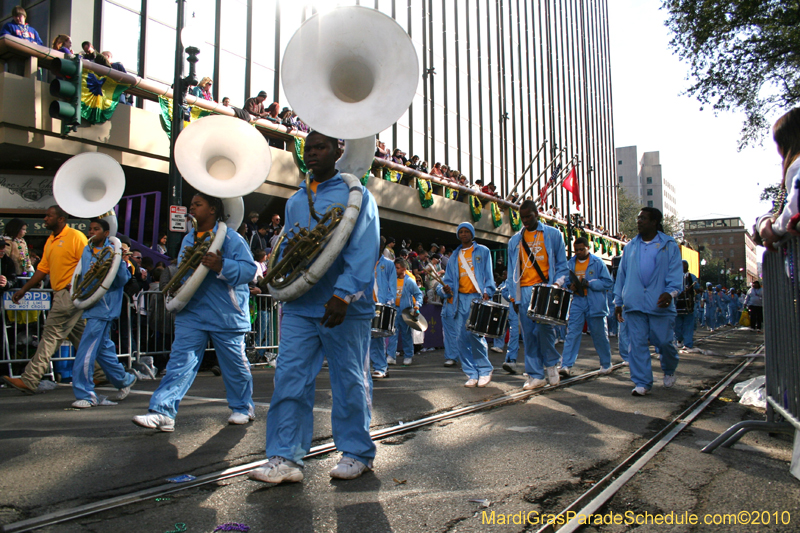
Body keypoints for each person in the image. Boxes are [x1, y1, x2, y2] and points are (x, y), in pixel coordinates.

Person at [249, 131, 379, 485]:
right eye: (308, 148)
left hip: (344, 307)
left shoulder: (358, 195)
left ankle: (356, 452)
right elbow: (291, 248)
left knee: (350, 381)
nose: (312, 154)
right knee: (289, 379)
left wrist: (344, 293)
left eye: (320, 147)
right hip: (300, 306)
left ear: (340, 149)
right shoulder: (294, 201)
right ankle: (285, 457)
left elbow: (364, 247)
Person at [132, 193, 256, 431]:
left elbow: (250, 270)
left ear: (213, 209)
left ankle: (242, 407)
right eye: (192, 204)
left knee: (234, 365)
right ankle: (162, 412)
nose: (192, 208)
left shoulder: (231, 237)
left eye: (197, 204)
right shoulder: (189, 238)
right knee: (180, 362)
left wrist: (222, 266)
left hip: (225, 314)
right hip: (193, 313)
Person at [3, 206, 88, 394]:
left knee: (50, 335)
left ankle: (30, 378)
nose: (45, 218)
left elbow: (89, 263)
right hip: (62, 294)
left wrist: (78, 285)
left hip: (70, 294)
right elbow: (42, 269)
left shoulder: (75, 236)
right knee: (82, 337)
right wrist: (24, 289)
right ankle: (101, 371)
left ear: (61, 219)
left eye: (49, 216)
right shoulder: (50, 240)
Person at [614, 207, 683, 396]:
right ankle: (642, 382)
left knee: (664, 342)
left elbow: (675, 274)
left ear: (654, 222)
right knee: (636, 344)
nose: (639, 221)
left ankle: (669, 369)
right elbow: (622, 276)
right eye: (638, 218)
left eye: (643, 218)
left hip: (659, 304)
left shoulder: (668, 245)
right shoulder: (630, 247)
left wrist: (671, 293)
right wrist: (618, 302)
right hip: (634, 303)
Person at [70, 219, 137, 408]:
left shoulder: (114, 251)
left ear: (106, 233)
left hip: (104, 308)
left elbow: (120, 281)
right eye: (90, 229)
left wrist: (122, 262)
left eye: (96, 229)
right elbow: (83, 275)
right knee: (102, 350)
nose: (91, 232)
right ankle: (124, 379)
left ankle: (85, 393)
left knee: (86, 351)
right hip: (92, 304)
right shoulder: (87, 250)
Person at [505, 200, 568, 389]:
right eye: (522, 217)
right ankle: (535, 375)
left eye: (528, 217)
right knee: (529, 335)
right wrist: (513, 297)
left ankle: (551, 365)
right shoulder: (514, 240)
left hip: (545, 289)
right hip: (523, 291)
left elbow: (563, 266)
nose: (525, 220)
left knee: (544, 330)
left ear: (537, 214)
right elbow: (511, 272)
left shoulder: (553, 234)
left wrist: (556, 284)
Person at [435, 222, 496, 386]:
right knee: (460, 338)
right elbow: (447, 282)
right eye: (460, 232)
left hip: (477, 298)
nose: (463, 234)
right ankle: (471, 373)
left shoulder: (483, 251)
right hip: (459, 300)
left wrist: (487, 291)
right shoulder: (454, 256)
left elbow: (489, 277)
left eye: (466, 231)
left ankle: (484, 370)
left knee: (475, 335)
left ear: (472, 233)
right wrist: (445, 289)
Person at [559, 237, 614, 376]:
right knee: (572, 333)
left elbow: (608, 283)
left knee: (599, 334)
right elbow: (565, 280)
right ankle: (565, 365)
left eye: (581, 249)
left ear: (587, 248)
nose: (578, 252)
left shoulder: (598, 262)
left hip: (595, 302)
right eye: (576, 250)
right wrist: (569, 286)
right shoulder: (570, 263)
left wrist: (590, 283)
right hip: (578, 300)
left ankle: (606, 364)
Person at [756, 108, 800, 251]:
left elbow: (794, 207)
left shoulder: (796, 167)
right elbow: (779, 209)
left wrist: (775, 230)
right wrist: (763, 223)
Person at [370, 238, 397, 379]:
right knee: (362, 338)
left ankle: (381, 367)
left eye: (380, 244)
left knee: (377, 338)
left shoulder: (388, 264)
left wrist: (389, 302)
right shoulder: (364, 261)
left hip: (379, 305)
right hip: (364, 304)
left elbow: (392, 285)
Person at [387, 258, 423, 366]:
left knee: (406, 334)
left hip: (406, 311)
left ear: (404, 268)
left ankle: (408, 355)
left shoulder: (409, 281)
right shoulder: (392, 279)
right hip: (394, 310)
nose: (395, 270)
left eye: (397, 268)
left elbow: (418, 295)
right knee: (392, 333)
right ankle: (391, 356)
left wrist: (417, 306)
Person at [673, 260, 699, 352]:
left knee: (688, 325)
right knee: (677, 325)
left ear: (687, 267)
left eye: (684, 265)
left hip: (688, 305)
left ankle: (687, 344)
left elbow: (698, 288)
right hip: (677, 305)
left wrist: (698, 289)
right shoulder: (675, 277)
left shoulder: (692, 277)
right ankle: (679, 340)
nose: (683, 267)